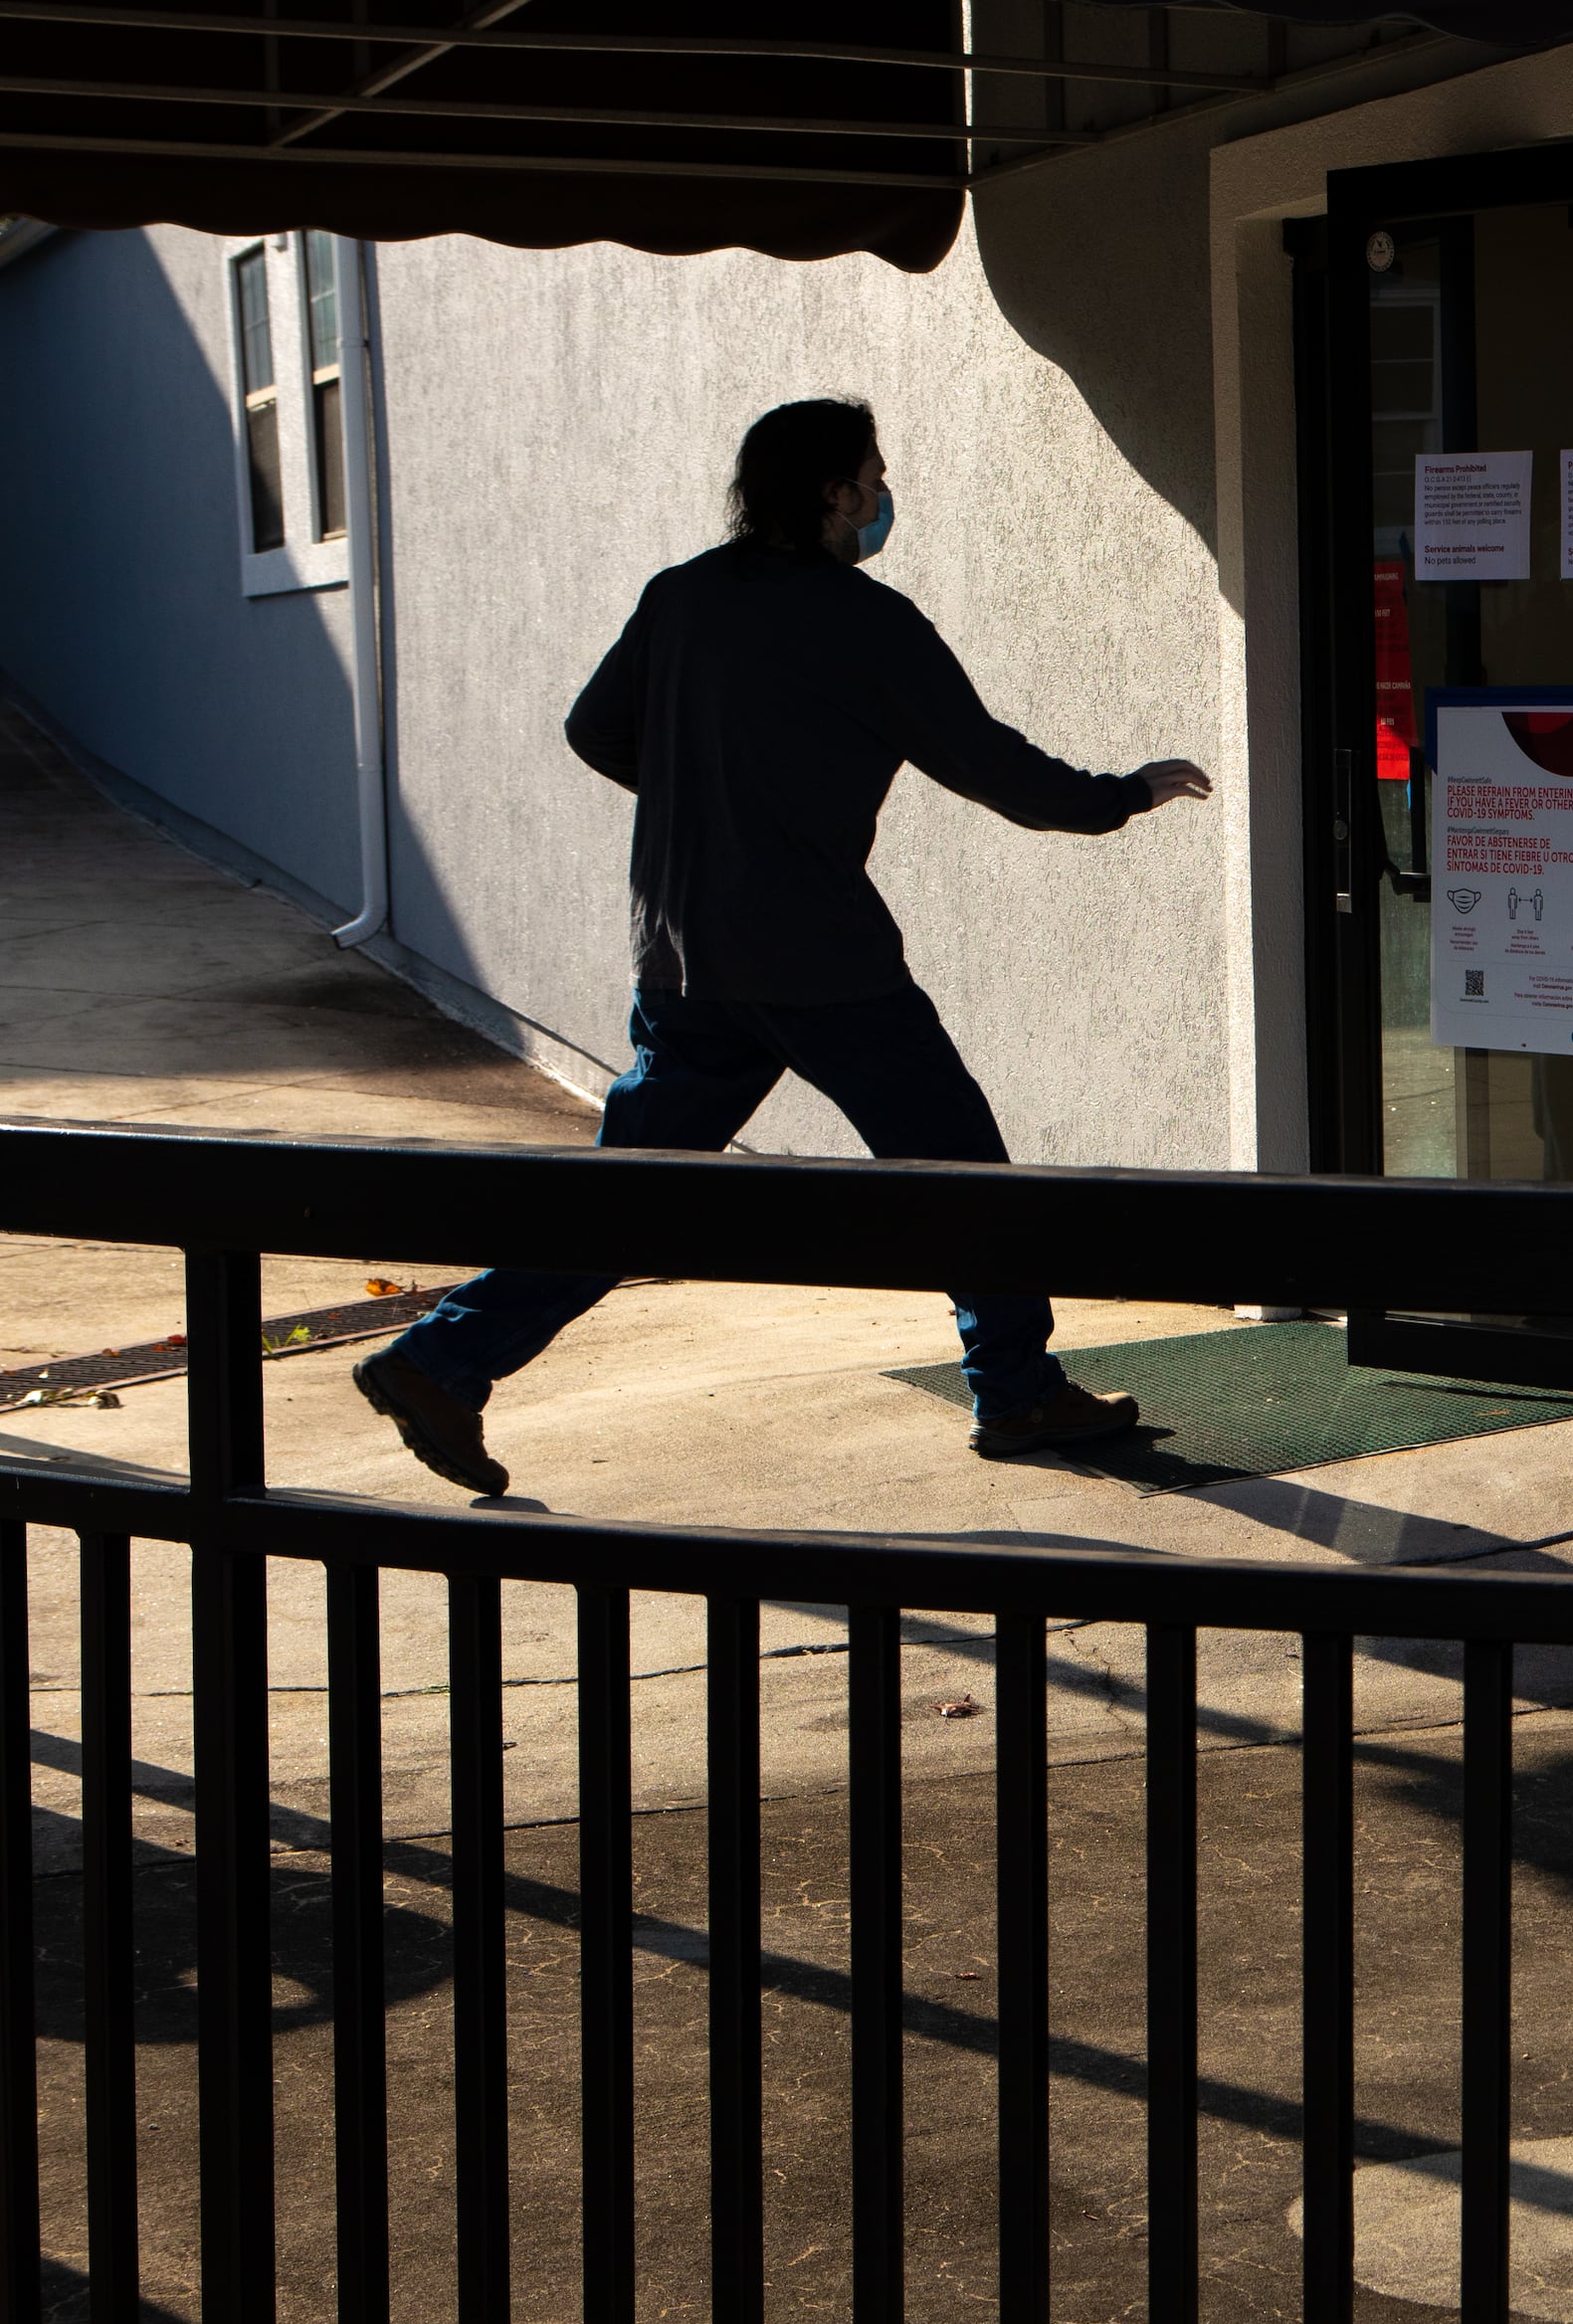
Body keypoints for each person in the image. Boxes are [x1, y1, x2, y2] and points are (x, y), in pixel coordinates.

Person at [352, 396, 1211, 1498]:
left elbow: (593, 729)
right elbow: (993, 766)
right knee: (966, 1174)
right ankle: (1016, 1391)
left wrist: (711, 797)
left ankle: (439, 1360)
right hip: (820, 962)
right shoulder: (866, 622)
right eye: (874, 475)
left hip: (683, 957)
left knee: (632, 1195)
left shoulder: (680, 598)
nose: (884, 494)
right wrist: (1122, 796)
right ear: (835, 495)